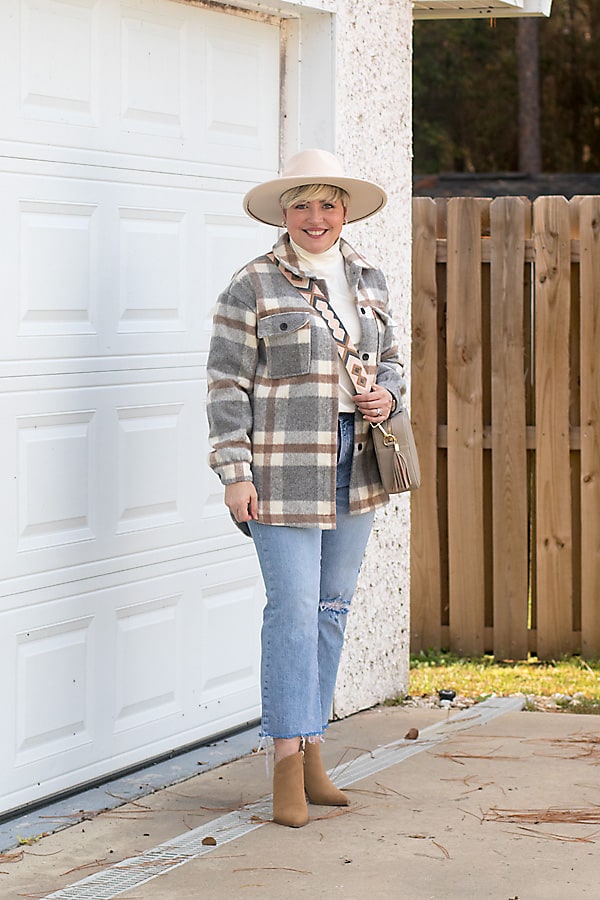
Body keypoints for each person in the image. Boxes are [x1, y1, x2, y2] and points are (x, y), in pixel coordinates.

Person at [206, 149, 406, 828]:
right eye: (301, 205)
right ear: (284, 214)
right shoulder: (252, 285)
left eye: (327, 204)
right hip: (283, 466)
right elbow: (226, 387)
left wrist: (387, 395)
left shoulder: (370, 279)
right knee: (291, 609)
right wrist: (236, 475)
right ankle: (286, 762)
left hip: (357, 459)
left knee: (331, 606)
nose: (314, 218)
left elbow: (395, 361)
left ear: (345, 211)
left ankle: (315, 750)